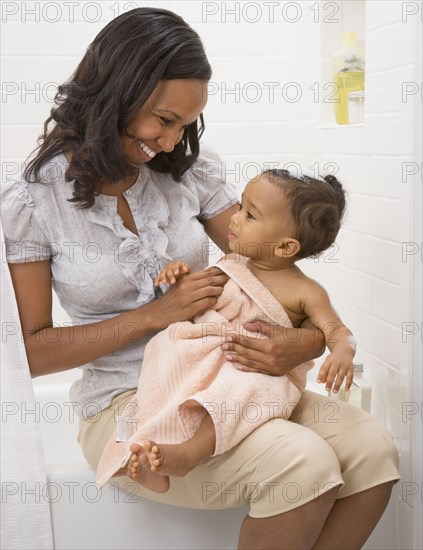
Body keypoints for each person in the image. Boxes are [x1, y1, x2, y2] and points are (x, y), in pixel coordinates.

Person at [1, 7, 399, 549]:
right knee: (302, 462)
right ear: (115, 93)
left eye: (185, 124)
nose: (170, 141)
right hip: (128, 403)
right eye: (163, 119)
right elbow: (30, 350)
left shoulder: (189, 170)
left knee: (373, 447)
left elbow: (269, 262)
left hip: (231, 378)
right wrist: (155, 315)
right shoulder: (33, 202)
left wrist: (303, 342)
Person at [96, 169, 357, 495]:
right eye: (240, 207)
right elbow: (205, 305)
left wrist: (343, 351)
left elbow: (335, 328)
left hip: (253, 370)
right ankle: (144, 438)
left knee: (243, 387)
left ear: (286, 246)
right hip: (210, 353)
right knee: (166, 345)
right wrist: (180, 279)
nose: (234, 218)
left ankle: (191, 451)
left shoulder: (304, 290)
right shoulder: (234, 263)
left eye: (250, 214)